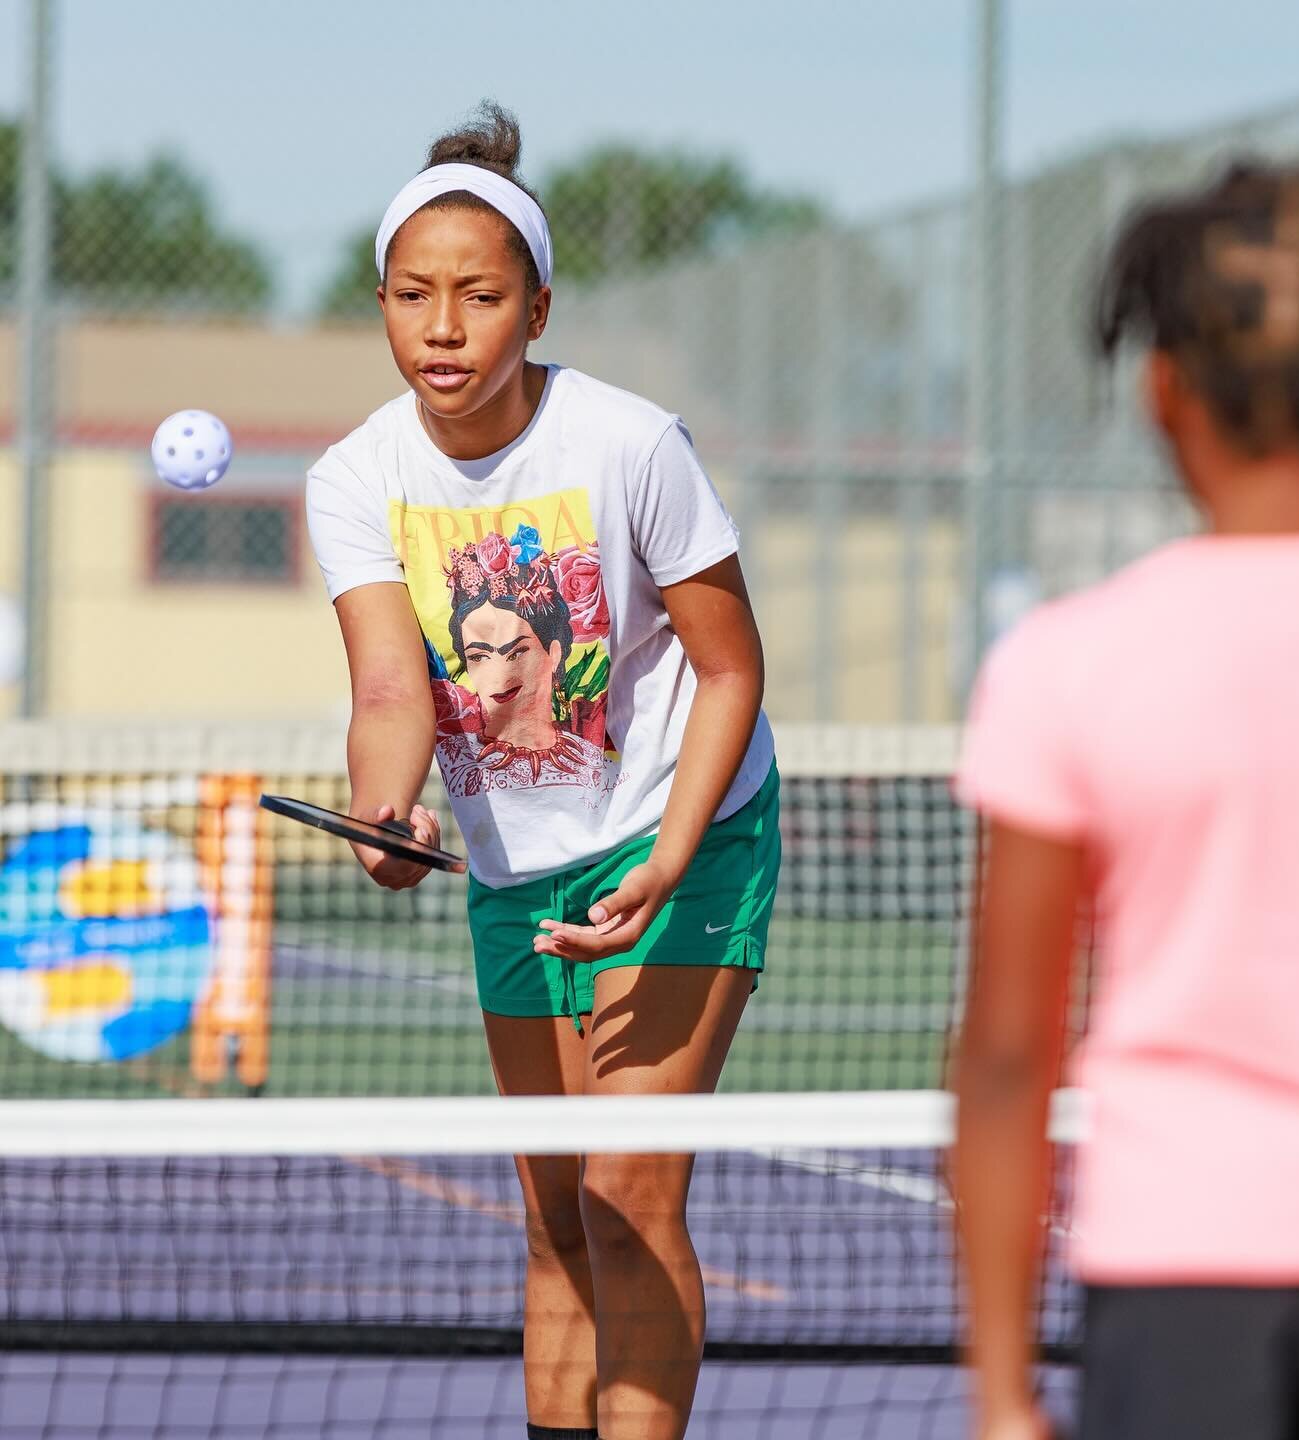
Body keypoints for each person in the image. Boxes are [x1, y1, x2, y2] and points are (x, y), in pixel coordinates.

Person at [305, 102, 779, 1440]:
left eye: (479, 295)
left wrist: (671, 858)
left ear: (539, 308)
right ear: (383, 306)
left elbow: (732, 669)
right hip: (515, 857)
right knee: (558, 1211)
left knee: (630, 1194)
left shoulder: (630, 445)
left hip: (684, 827)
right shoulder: (356, 479)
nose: (442, 325)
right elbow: (393, 687)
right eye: (413, 295)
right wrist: (386, 811)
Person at [952, 160, 1299, 1440]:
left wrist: (1003, 1394)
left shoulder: (1064, 664)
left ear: (1162, 392)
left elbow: (1008, 1058)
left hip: (1178, 1285)